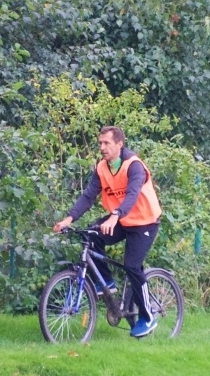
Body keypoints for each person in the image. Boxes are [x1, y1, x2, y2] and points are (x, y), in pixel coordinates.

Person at [53, 127, 163, 337]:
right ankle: (107, 284)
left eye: (106, 143)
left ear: (119, 144)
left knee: (132, 266)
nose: (102, 147)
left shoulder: (134, 166)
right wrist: (68, 219)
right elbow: (88, 196)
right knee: (91, 236)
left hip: (145, 222)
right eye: (100, 143)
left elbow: (132, 194)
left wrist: (115, 216)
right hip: (121, 219)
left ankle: (148, 317)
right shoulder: (102, 168)